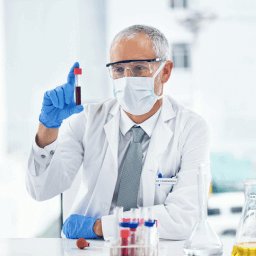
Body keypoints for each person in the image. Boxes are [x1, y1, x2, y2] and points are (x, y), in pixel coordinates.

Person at [25, 24, 211, 240]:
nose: (127, 79)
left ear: (166, 71)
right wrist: (48, 127)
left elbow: (183, 219)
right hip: (89, 249)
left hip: (154, 249)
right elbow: (42, 190)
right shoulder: (88, 120)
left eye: (139, 68)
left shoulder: (191, 129)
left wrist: (99, 227)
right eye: (118, 69)